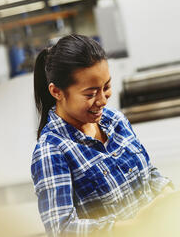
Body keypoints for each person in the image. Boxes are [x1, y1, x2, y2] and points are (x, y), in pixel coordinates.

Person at [31, 34, 172, 236]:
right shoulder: (51, 151)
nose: (103, 100)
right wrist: (133, 227)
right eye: (90, 94)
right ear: (57, 92)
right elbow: (61, 229)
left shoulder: (115, 120)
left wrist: (169, 198)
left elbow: (148, 173)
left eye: (106, 87)